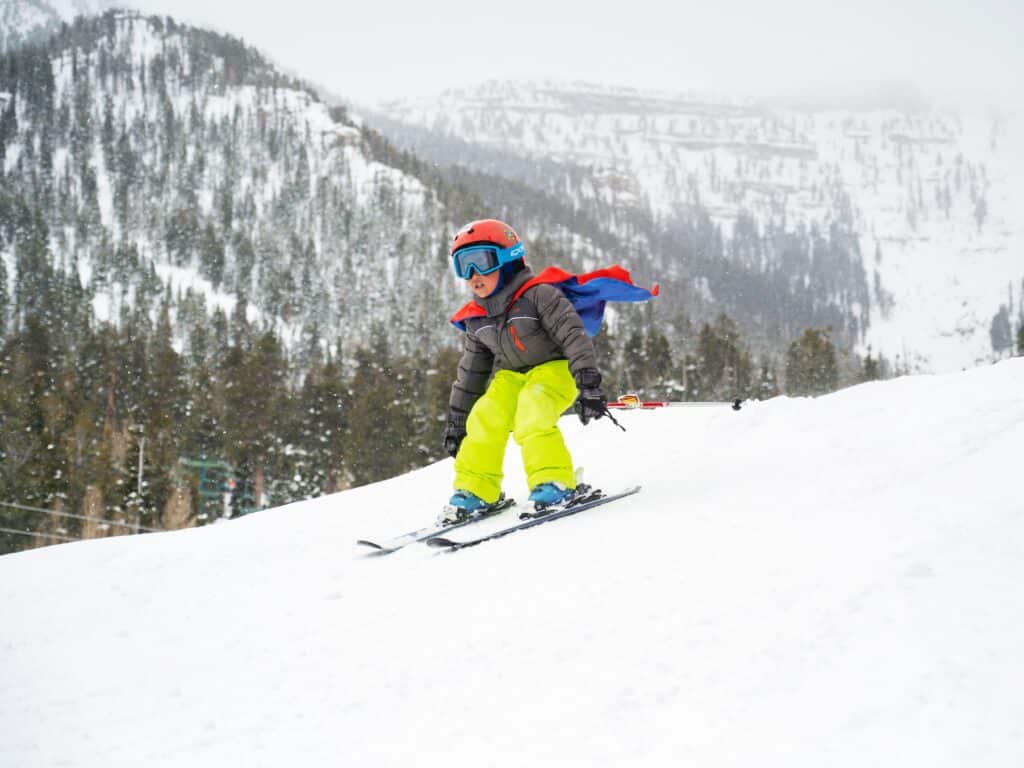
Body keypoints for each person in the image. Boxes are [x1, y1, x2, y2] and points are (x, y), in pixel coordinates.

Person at [440, 219, 612, 522]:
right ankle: (477, 489)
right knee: (484, 418)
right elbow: (470, 374)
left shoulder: (540, 296)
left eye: (480, 262)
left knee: (532, 412)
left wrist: (588, 382)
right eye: (462, 265)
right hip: (511, 376)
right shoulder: (477, 317)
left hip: (555, 369)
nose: (472, 276)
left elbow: (573, 336)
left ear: (507, 260)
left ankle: (554, 482)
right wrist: (458, 422)